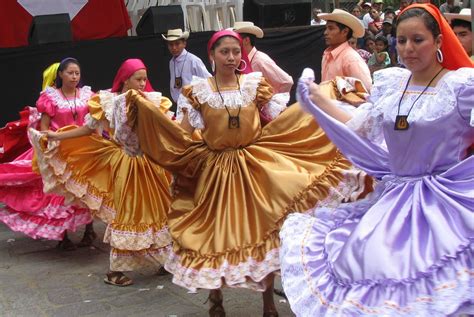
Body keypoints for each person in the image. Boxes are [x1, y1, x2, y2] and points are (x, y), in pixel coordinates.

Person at [119, 30, 373, 316]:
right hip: (215, 170)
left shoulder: (254, 85)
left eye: (236, 51)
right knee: (215, 235)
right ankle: (216, 299)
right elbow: (182, 133)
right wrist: (151, 120)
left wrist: (320, 104)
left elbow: (279, 120)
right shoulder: (198, 92)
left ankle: (268, 304)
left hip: (255, 165)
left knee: (266, 231)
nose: (231, 57)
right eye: (224, 52)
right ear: (211, 55)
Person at [280, 3, 474, 316]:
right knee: (372, 279)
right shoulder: (391, 86)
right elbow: (362, 124)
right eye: (401, 40)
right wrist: (316, 98)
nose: (408, 49)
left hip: (444, 206)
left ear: (439, 42)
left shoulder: (462, 87)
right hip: (394, 201)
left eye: (418, 40)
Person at [31, 59, 173, 286]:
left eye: (145, 79)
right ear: (125, 79)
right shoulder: (108, 101)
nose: (142, 83)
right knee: (127, 215)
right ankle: (115, 271)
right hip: (125, 164)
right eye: (138, 79)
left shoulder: (152, 100)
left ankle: (163, 260)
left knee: (158, 211)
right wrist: (57, 136)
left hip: (150, 165)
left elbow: (167, 128)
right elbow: (88, 128)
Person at [0, 58, 95, 250]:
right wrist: (49, 149)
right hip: (59, 152)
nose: (74, 77)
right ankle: (63, 236)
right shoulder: (51, 98)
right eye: (70, 73)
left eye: (77, 73)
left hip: (84, 152)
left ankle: (89, 230)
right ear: (60, 74)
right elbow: (44, 128)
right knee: (61, 195)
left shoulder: (87, 95)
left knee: (86, 193)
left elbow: (91, 123)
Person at [233, 21, 294, 94]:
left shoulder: (260, 60)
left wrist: (275, 102)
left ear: (246, 40)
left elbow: (287, 82)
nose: (233, 43)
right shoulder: (242, 60)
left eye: (236, 39)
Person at [319, 9, 373, 90]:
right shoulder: (326, 54)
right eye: (326, 28)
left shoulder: (351, 58)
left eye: (331, 28)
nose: (325, 32)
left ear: (345, 32)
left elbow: (366, 91)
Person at [163, 28, 211, 103]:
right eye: (171, 44)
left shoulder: (193, 60)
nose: (174, 48)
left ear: (184, 44)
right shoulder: (171, 62)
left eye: (177, 44)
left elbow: (208, 81)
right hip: (179, 105)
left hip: (194, 104)